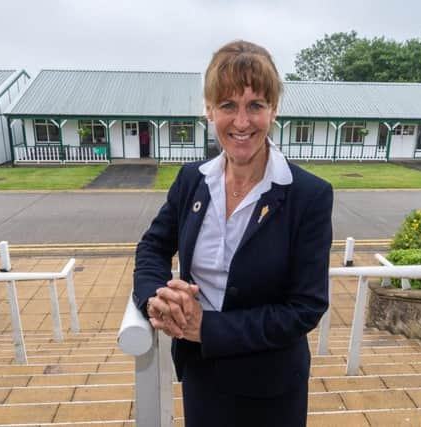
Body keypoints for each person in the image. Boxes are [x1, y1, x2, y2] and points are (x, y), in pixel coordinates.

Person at [133, 40, 333, 427]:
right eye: (228, 105)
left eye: (255, 105)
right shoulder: (192, 180)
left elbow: (306, 306)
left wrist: (208, 327)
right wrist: (156, 300)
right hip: (202, 375)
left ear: (273, 110)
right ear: (208, 111)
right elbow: (153, 246)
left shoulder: (309, 195)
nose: (242, 122)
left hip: (272, 385)